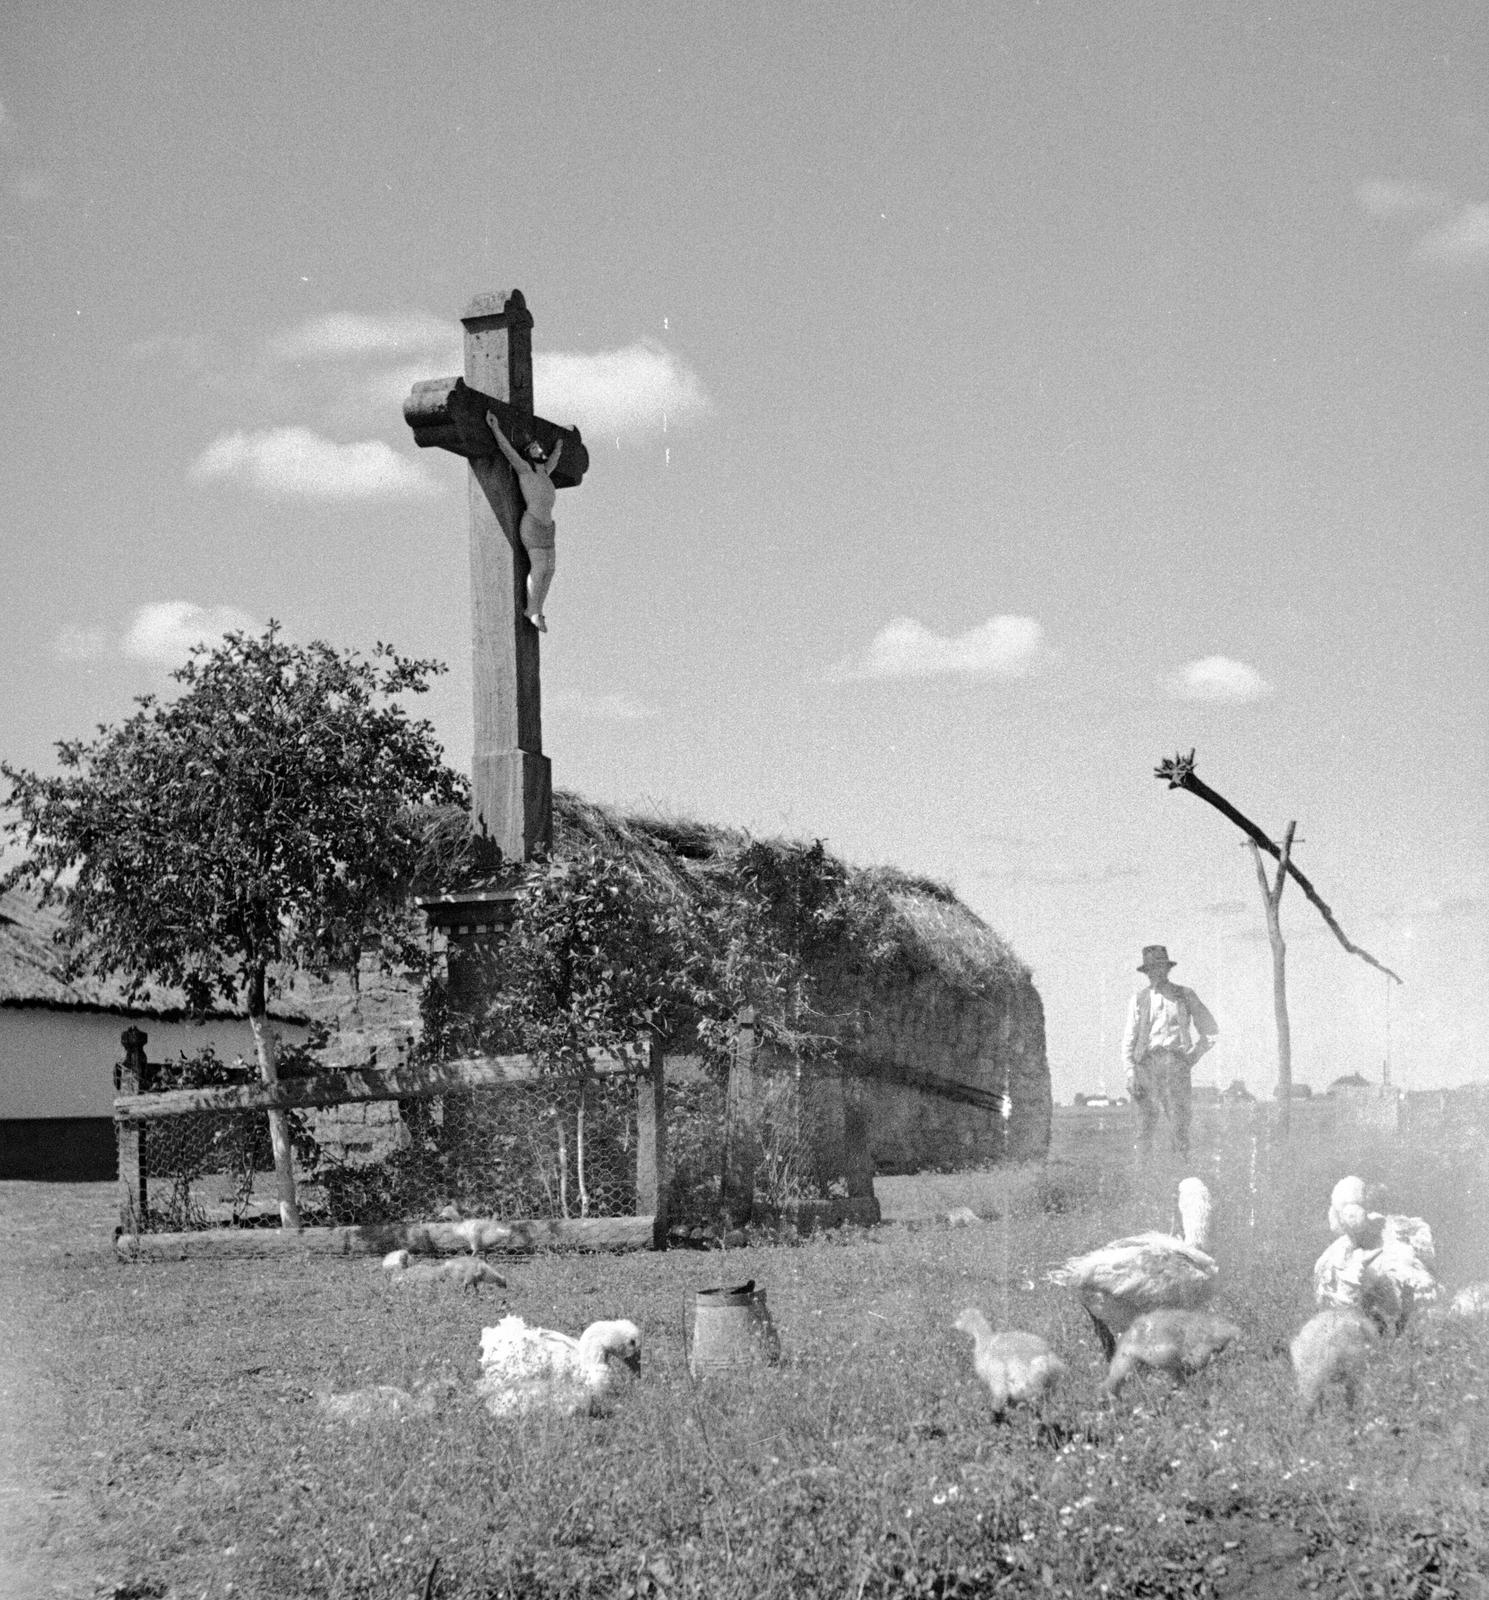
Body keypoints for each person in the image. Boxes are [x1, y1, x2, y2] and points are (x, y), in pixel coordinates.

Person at [1121, 945, 1217, 1158]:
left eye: (1160, 967)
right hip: (1145, 1067)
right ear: (1146, 972)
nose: (1156, 972)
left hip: (1175, 1065)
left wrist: (1192, 1057)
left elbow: (1211, 1031)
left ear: (1167, 969)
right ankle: (1142, 1176)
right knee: (1143, 1127)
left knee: (1179, 1125)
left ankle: (1180, 1172)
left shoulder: (1184, 995)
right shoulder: (1138, 999)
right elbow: (1129, 1039)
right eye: (1151, 969)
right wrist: (1130, 1073)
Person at [486, 410, 564, 632]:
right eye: (533, 448)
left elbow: (554, 460)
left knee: (550, 569)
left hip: (548, 527)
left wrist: (558, 447)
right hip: (532, 524)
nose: (538, 449)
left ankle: (539, 608)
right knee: (539, 568)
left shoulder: (544, 473)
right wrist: (495, 428)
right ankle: (533, 610)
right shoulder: (525, 470)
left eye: (539, 447)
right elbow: (507, 450)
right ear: (528, 454)